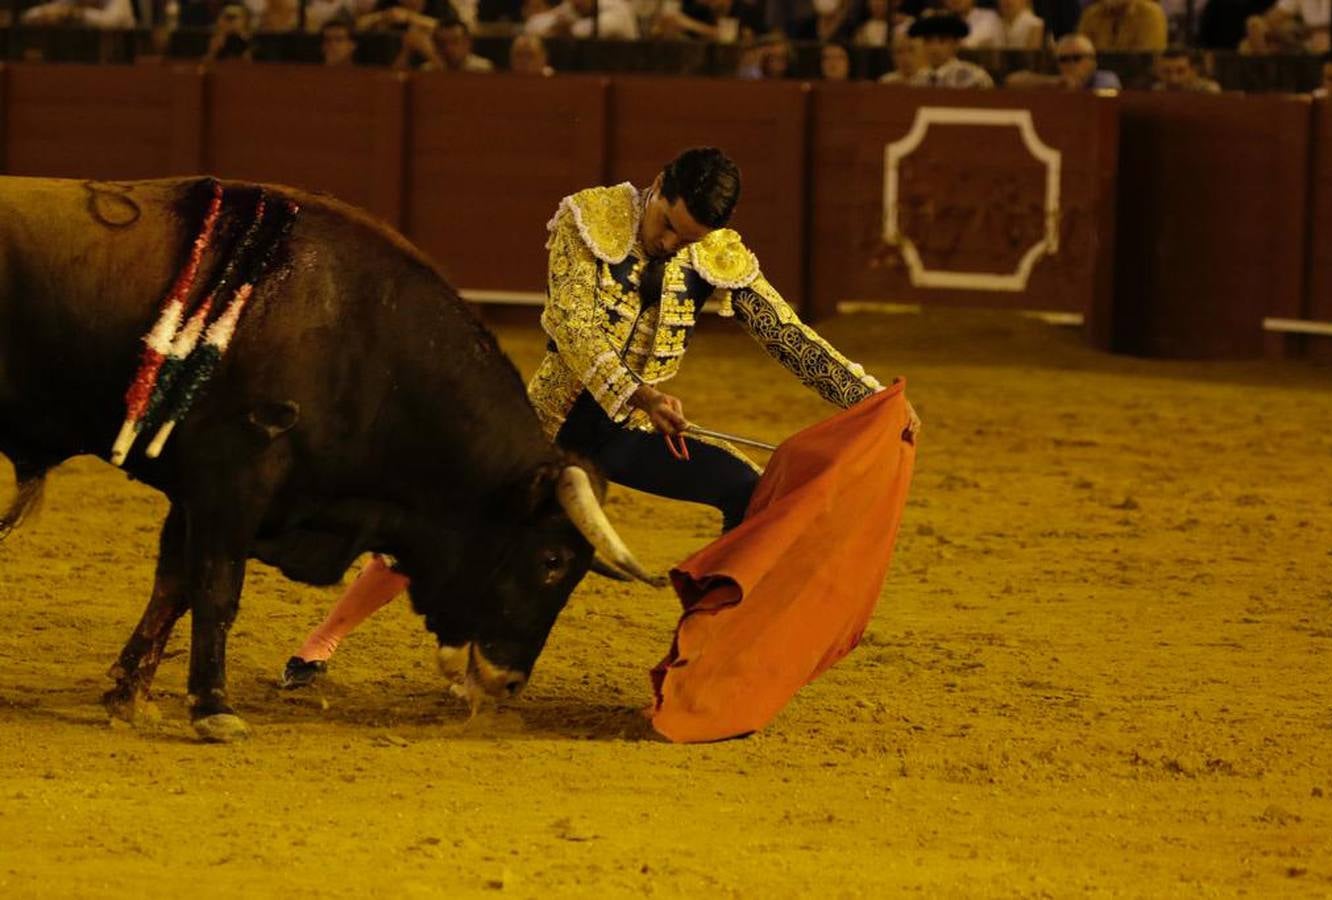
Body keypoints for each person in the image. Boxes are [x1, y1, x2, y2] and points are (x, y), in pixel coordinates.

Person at [281, 147, 919, 687]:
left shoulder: (715, 255)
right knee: (437, 524)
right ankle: (324, 641)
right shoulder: (589, 218)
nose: (671, 245)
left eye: (687, 240)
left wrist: (868, 399)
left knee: (749, 496)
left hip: (636, 434)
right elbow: (572, 325)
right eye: (669, 226)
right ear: (659, 187)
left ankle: (708, 660)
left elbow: (786, 333)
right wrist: (640, 392)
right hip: (552, 425)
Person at [1005, 32, 1122, 89]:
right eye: (1063, 59)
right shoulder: (1056, 80)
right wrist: (1054, 82)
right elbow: (1012, 80)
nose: (1070, 64)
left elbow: (1108, 92)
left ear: (1092, 61)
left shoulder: (1105, 78)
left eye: (1077, 58)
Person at [906, 13, 994, 88]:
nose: (934, 48)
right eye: (928, 41)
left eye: (942, 41)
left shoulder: (974, 78)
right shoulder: (918, 80)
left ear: (956, 44)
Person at [1151, 47, 1221, 92]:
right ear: (1157, 72)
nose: (1173, 79)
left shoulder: (1208, 90)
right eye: (1166, 72)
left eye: (1181, 71)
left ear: (1193, 71)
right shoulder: (1157, 91)